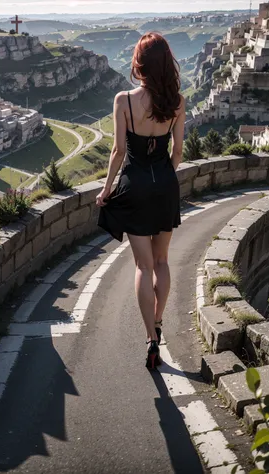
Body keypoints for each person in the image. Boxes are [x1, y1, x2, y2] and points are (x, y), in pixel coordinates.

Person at [96, 32, 186, 370]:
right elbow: (177, 153)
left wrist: (106, 190)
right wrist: (163, 177)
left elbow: (119, 152)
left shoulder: (123, 100)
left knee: (142, 266)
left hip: (134, 187)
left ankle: (150, 337)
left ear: (140, 64)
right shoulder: (177, 102)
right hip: (164, 185)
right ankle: (159, 322)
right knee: (162, 263)